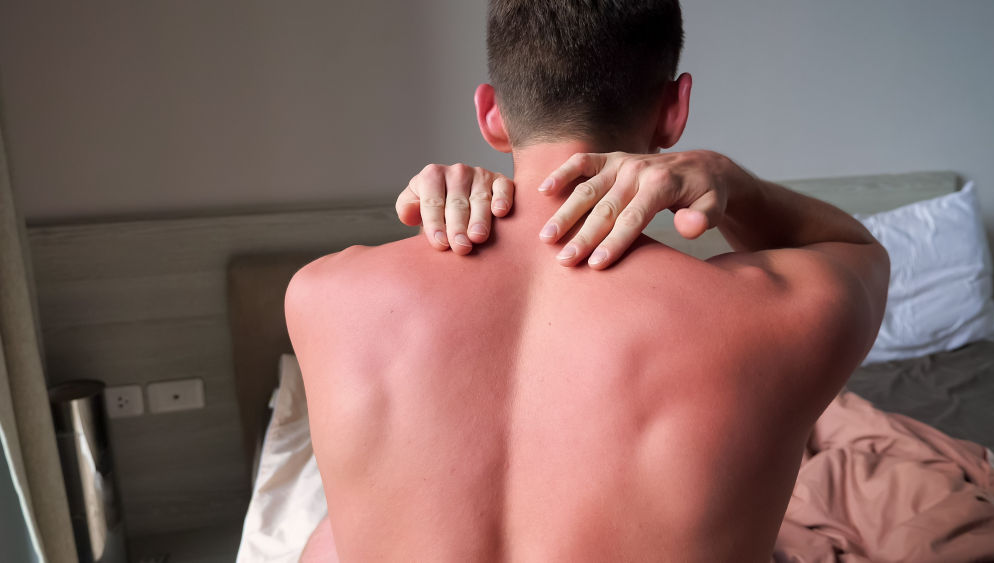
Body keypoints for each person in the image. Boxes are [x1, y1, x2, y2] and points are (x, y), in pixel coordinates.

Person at [287, 1, 889, 561]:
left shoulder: (321, 296)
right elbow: (861, 250)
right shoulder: (780, 313)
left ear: (490, 113)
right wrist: (731, 181)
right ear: (675, 110)